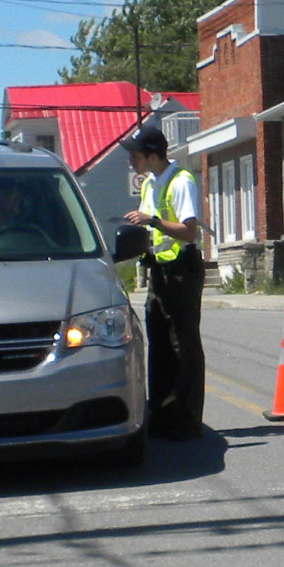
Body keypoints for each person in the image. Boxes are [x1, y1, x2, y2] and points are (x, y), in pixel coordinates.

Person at [123, 129, 205, 440]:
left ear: (153, 155)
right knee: (158, 342)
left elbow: (188, 232)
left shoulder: (180, 181)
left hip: (182, 269)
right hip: (159, 269)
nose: (131, 159)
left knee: (183, 346)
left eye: (136, 154)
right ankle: (161, 415)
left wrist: (153, 222)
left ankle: (186, 420)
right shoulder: (148, 183)